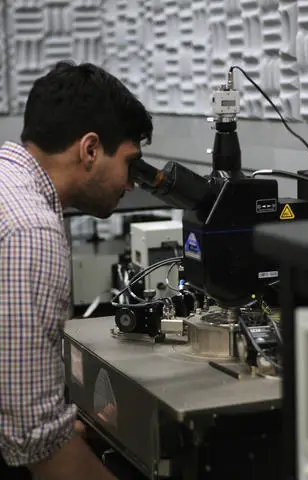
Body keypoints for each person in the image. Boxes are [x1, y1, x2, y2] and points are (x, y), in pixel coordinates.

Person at [0, 61, 153, 479]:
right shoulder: (30, 230)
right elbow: (35, 442)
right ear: (89, 149)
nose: (131, 184)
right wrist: (59, 441)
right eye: (130, 162)